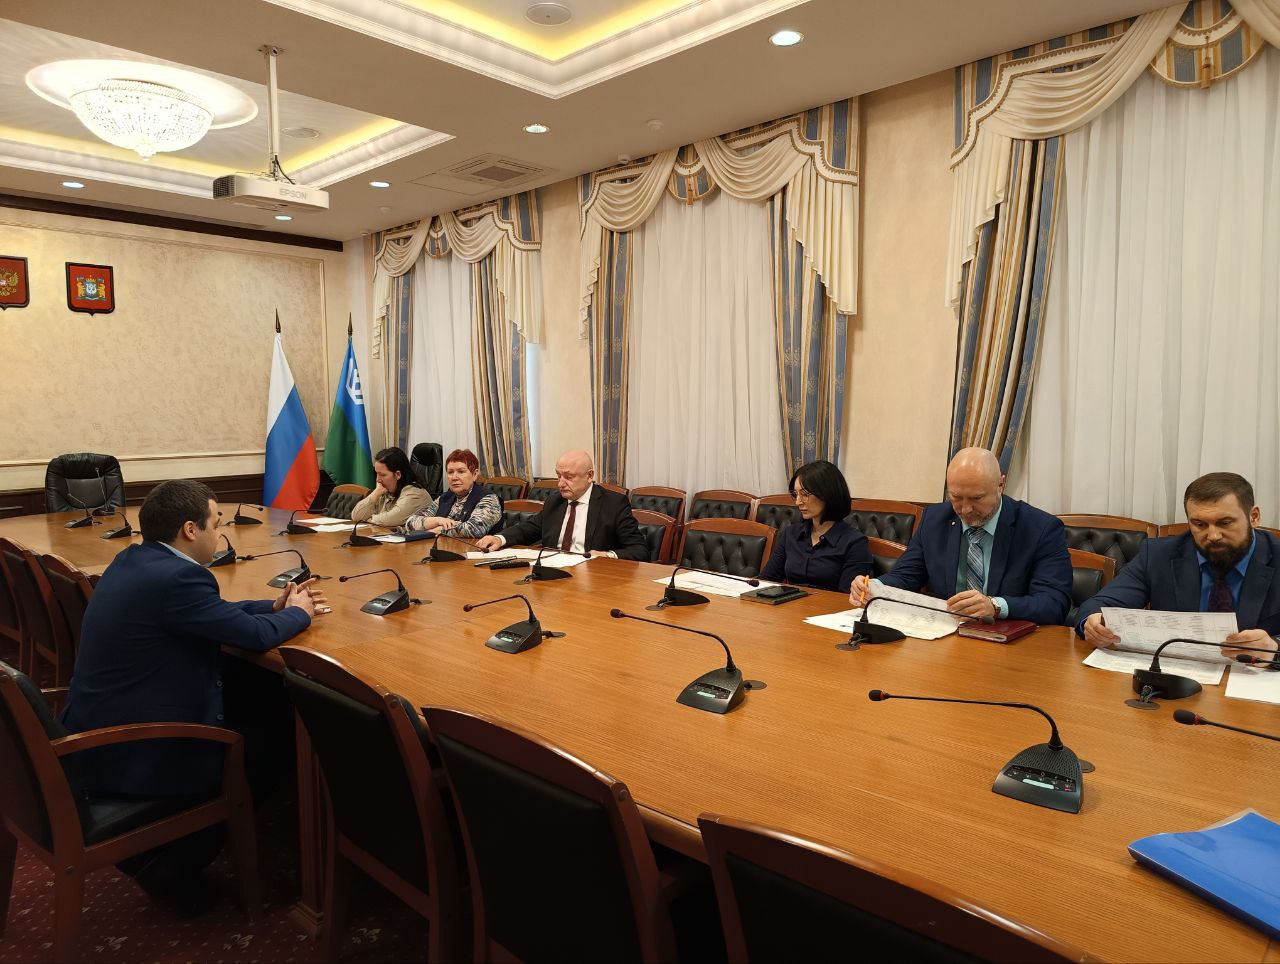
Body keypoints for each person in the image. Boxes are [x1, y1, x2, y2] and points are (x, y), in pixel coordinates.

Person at [60, 479, 324, 906]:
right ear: (190, 530)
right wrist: (299, 614)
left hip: (97, 726)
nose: (220, 533)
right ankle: (172, 864)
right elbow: (255, 637)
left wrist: (271, 607)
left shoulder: (136, 559)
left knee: (259, 694)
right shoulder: (180, 578)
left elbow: (210, 615)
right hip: (135, 747)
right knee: (274, 736)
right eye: (216, 524)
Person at [850, 447, 1071, 624]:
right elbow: (906, 575)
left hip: (1008, 640)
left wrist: (995, 606)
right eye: (956, 497)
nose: (965, 509)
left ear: (1001, 485)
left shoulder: (1040, 528)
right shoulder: (934, 519)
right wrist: (874, 586)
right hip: (944, 634)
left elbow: (1054, 603)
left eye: (976, 498)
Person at [1076, 472, 1280, 660]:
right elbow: (1099, 605)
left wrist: (1274, 647)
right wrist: (1093, 623)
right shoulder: (1159, 555)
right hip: (1176, 674)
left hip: (1251, 677)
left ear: (1254, 517)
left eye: (1225, 523)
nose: (1213, 535)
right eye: (1199, 524)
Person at [474, 449, 648, 560]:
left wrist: (607, 555)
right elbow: (528, 528)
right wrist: (499, 538)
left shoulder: (613, 504)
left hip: (593, 578)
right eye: (558, 476)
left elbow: (639, 550)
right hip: (553, 574)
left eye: (569, 477)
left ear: (589, 476)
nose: (560, 484)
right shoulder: (555, 501)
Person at [760, 460, 872, 593]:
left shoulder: (855, 542)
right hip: (789, 603)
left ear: (827, 493)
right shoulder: (790, 534)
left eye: (805, 494)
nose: (798, 502)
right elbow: (767, 579)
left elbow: (846, 598)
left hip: (829, 606)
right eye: (796, 494)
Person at [405, 448, 503, 538]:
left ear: (474, 474)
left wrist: (436, 530)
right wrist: (438, 520)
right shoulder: (444, 498)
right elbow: (410, 522)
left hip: (473, 550)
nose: (454, 477)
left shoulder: (489, 499)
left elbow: (474, 529)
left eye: (461, 472)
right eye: (450, 472)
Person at [349, 446, 432, 527]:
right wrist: (375, 493)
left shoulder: (415, 494)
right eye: (376, 474)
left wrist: (367, 519)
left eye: (382, 475)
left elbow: (390, 520)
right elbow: (356, 516)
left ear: (398, 475)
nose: (377, 480)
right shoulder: (384, 490)